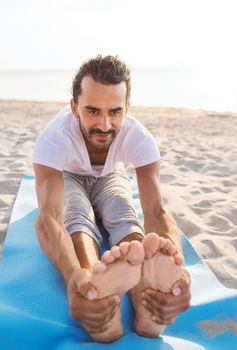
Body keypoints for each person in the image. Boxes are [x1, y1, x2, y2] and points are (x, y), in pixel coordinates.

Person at [33, 55, 191, 343]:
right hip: (68, 176)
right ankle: (94, 285)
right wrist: (72, 280)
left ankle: (145, 289)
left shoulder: (139, 138)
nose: (104, 125)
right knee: (76, 216)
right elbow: (48, 218)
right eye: (92, 111)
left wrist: (178, 268)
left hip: (111, 176)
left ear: (127, 109)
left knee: (123, 211)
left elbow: (155, 210)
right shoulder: (55, 138)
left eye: (115, 112)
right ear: (74, 108)